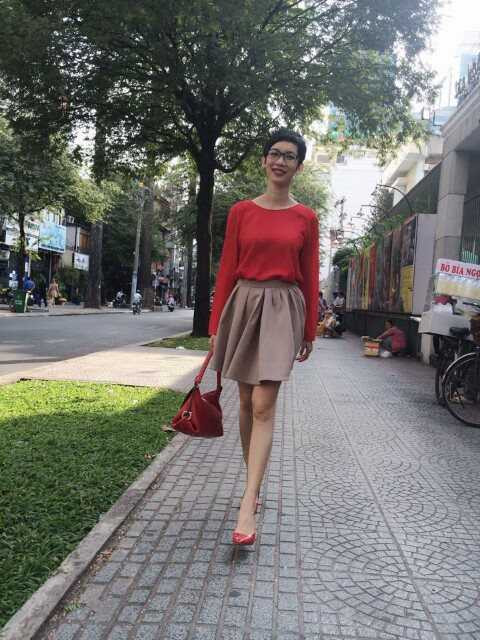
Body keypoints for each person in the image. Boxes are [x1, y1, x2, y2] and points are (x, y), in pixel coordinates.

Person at [209, 129, 319, 546]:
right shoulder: (241, 212)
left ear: (298, 167)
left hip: (282, 307)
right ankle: (252, 483)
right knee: (243, 400)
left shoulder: (306, 218)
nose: (280, 161)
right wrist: (216, 326)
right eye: (274, 153)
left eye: (289, 156)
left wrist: (309, 328)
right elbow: (227, 268)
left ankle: (247, 501)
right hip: (243, 303)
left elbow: (309, 274)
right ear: (263, 160)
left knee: (263, 403)